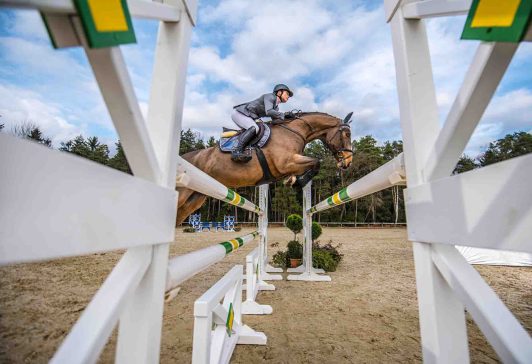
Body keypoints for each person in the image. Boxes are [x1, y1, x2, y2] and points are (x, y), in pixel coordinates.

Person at [230, 84, 295, 162]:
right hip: (240, 113)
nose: (288, 97)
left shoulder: (276, 107)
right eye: (287, 94)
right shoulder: (270, 97)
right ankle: (237, 151)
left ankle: (247, 148)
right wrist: (283, 115)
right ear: (279, 92)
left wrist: (288, 118)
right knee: (255, 128)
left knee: (258, 129)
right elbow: (269, 111)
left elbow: (275, 120)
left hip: (248, 115)